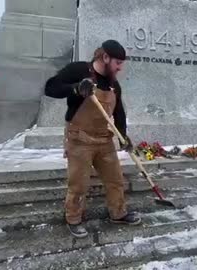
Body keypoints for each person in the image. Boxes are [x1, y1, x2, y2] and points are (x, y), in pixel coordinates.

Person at [44, 40, 140, 238]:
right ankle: (73, 218)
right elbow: (50, 88)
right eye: (118, 63)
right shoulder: (78, 70)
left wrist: (122, 135)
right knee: (78, 184)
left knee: (115, 180)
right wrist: (76, 88)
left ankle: (118, 213)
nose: (120, 68)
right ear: (105, 57)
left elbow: (119, 112)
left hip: (103, 139)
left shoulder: (114, 85)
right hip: (79, 138)